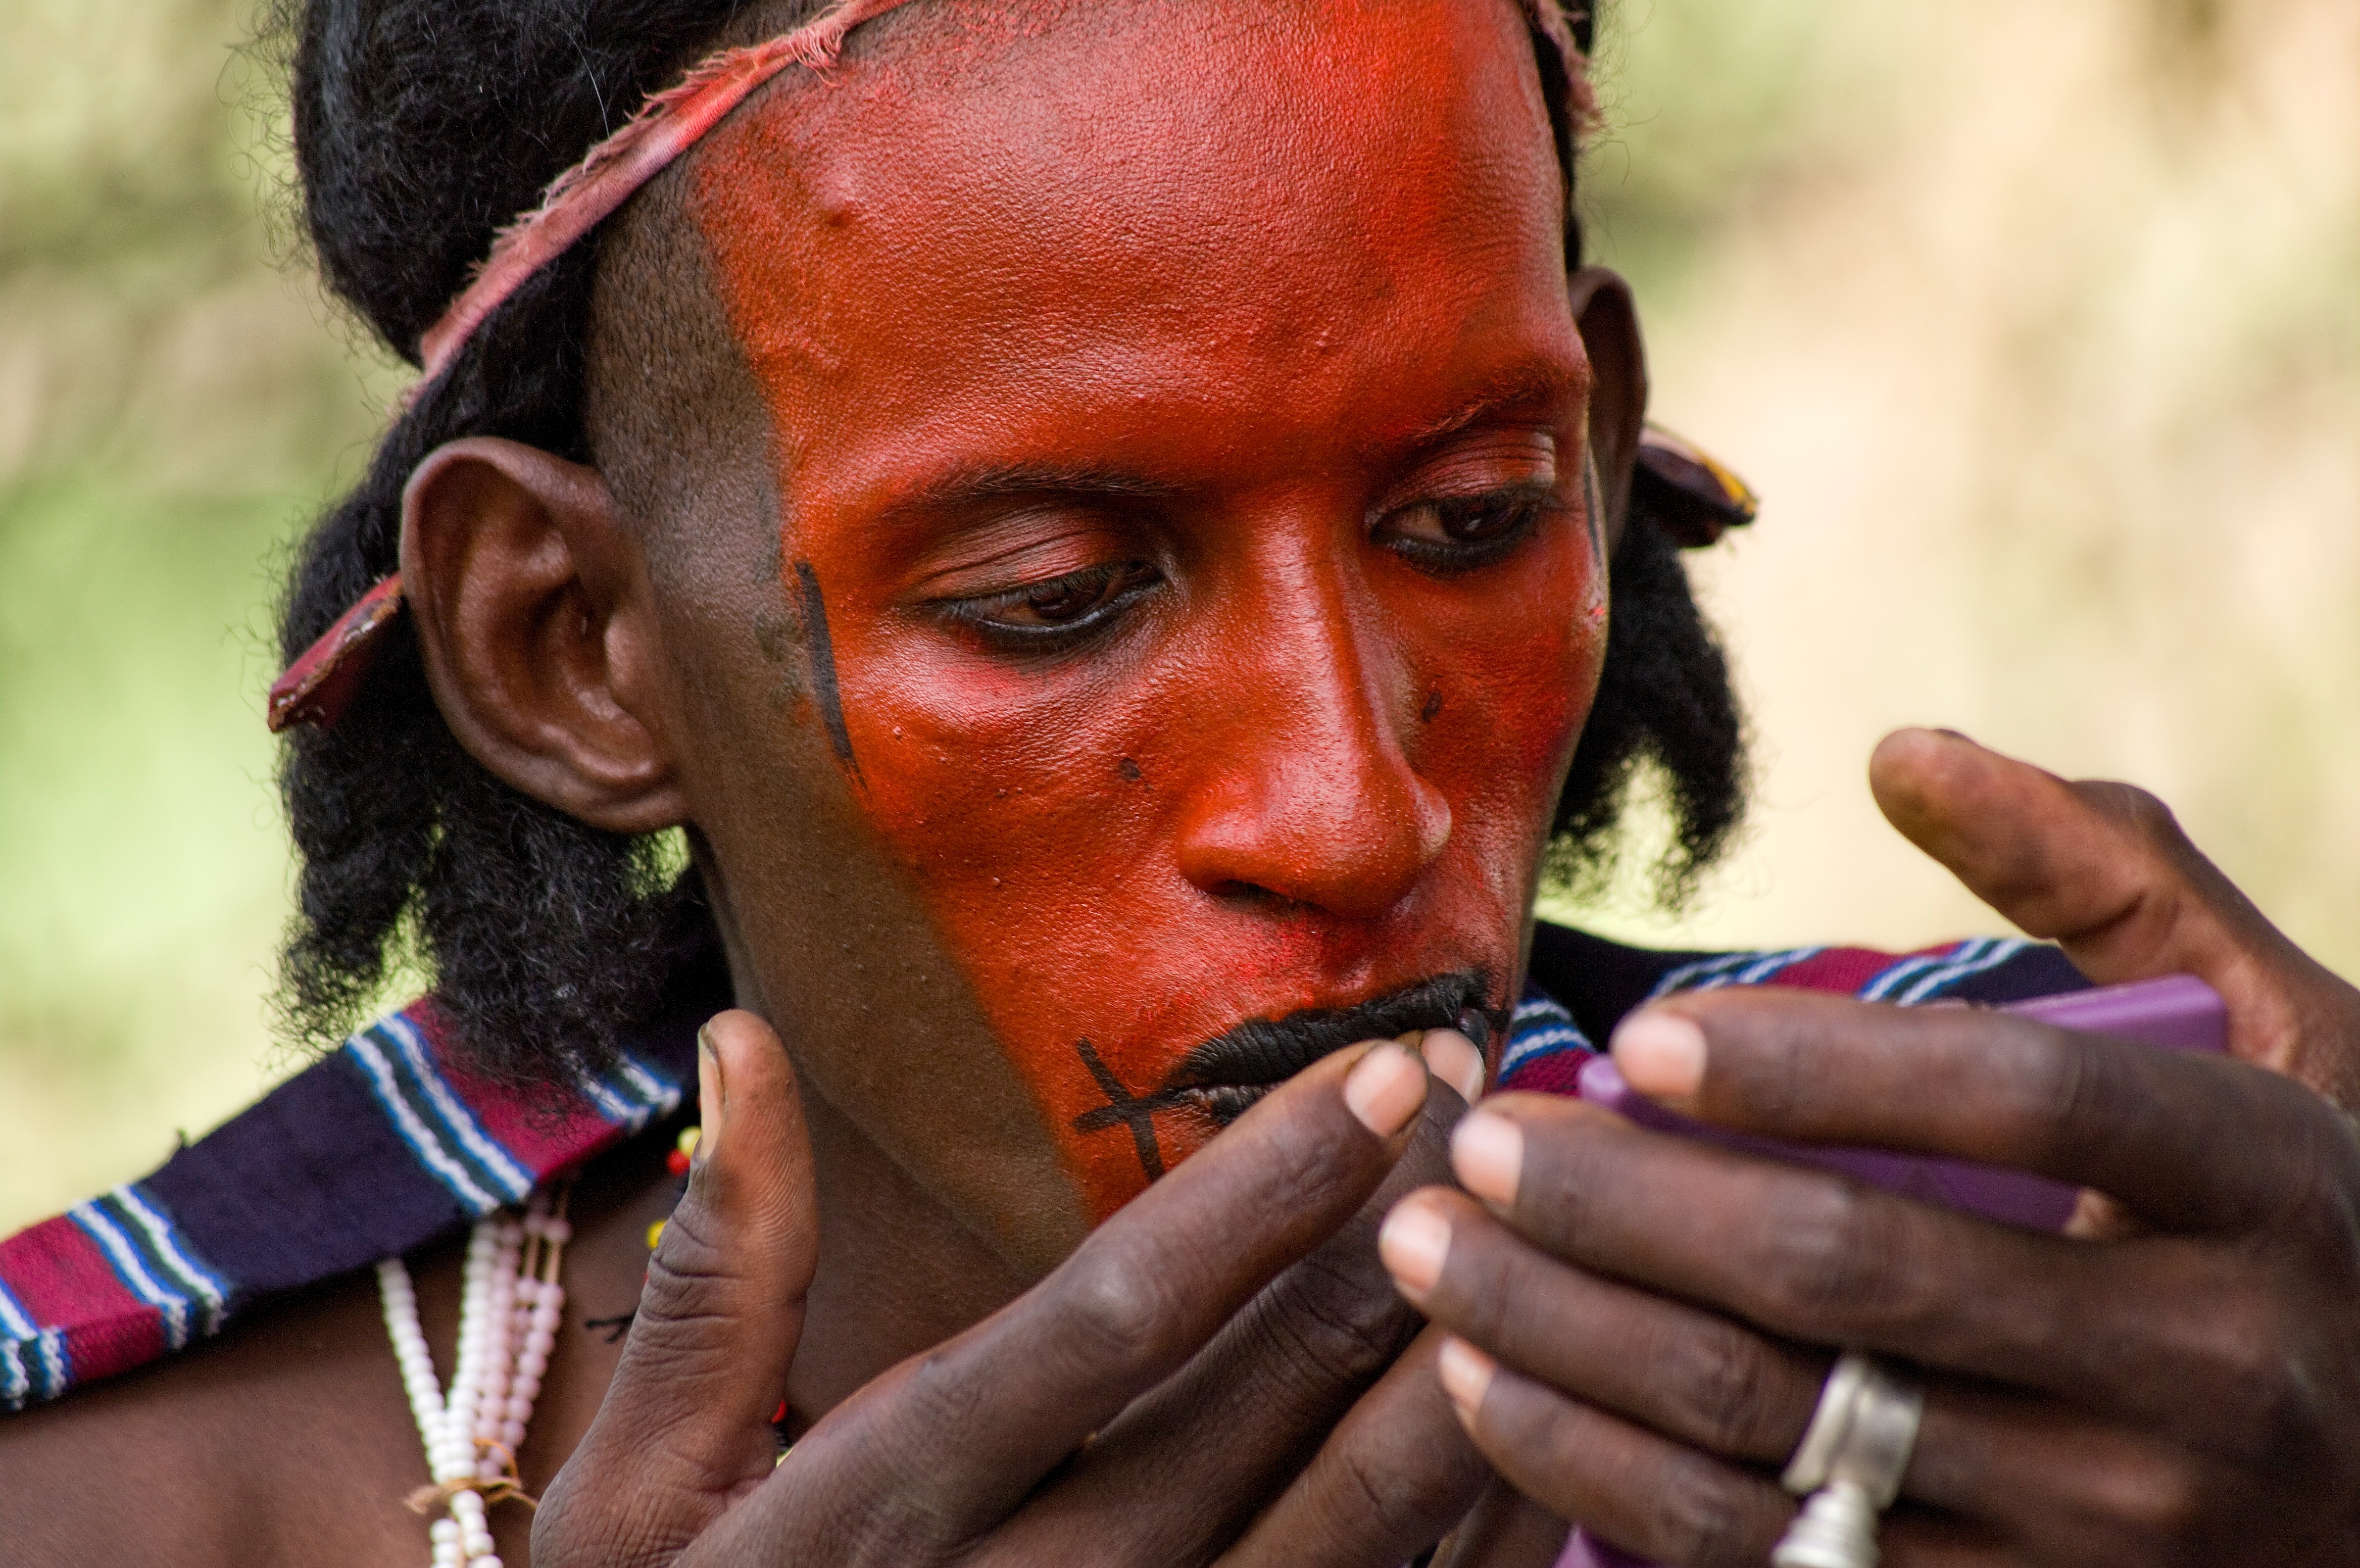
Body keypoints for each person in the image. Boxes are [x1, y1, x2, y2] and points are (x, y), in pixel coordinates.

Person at [4, 1, 2357, 1564]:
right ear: (570, 642)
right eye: (1051, 592)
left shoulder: (2081, 1331)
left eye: (1467, 525)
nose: (1349, 810)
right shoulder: (128, 1510)